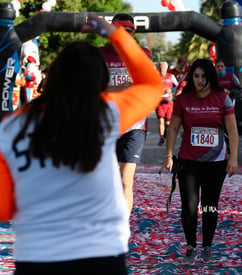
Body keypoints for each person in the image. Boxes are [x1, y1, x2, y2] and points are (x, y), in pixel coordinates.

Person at [0, 14, 163, 274]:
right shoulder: (107, 114)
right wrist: (115, 35)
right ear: (100, 82)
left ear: (52, 77)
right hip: (100, 255)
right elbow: (153, 85)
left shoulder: (10, 129)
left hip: (38, 257)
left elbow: (5, 207)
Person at [163, 59, 238, 264]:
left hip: (216, 162)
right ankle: (190, 246)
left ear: (210, 77)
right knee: (189, 205)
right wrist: (169, 154)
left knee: (210, 206)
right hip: (189, 161)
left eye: (204, 76)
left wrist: (234, 157)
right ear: (191, 77)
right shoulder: (183, 100)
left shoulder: (222, 99)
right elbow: (173, 128)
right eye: (196, 76)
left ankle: (207, 246)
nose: (199, 80)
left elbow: (232, 130)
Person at [99, 13, 153, 213]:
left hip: (135, 126)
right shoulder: (99, 54)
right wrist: (119, 88)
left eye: (129, 31)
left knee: (124, 181)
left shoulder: (143, 54)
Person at [156, 61, 178, 146]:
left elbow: (177, 86)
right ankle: (161, 138)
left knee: (168, 121)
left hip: (169, 102)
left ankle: (166, 132)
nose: (162, 69)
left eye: (164, 67)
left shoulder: (171, 76)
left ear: (167, 68)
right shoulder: (155, 77)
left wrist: (171, 90)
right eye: (160, 67)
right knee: (160, 120)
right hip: (159, 102)